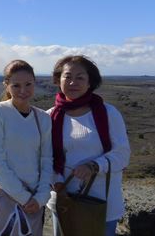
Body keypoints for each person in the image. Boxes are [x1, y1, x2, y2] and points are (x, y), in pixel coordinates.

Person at [47, 55, 131, 236]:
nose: (73, 82)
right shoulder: (49, 116)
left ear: (90, 82)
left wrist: (94, 165)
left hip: (101, 202)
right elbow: (45, 157)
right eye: (67, 76)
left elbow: (122, 154)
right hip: (64, 201)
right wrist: (56, 180)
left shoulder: (108, 113)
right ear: (58, 80)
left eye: (80, 77)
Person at [0, 60, 53, 236]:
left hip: (34, 199)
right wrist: (24, 197)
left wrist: (41, 197)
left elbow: (47, 159)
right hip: (5, 194)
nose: (23, 90)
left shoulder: (43, 118)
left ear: (35, 83)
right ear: (6, 85)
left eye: (28, 84)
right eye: (16, 85)